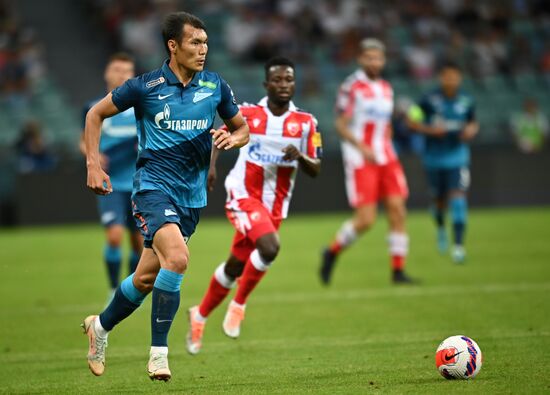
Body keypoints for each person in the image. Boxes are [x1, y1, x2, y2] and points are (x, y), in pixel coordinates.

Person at [81, 12, 249, 381]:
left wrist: (231, 138)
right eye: (194, 43)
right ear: (173, 46)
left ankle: (100, 327)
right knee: (177, 258)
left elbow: (242, 129)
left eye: (205, 43)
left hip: (191, 197)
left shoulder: (215, 86)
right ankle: (159, 354)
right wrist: (94, 164)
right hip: (153, 188)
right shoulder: (145, 86)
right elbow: (95, 114)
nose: (203, 50)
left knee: (144, 280)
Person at [186, 56, 322, 355]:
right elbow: (219, 135)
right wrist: (210, 168)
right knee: (270, 248)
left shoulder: (306, 123)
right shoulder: (247, 113)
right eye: (278, 79)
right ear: (266, 84)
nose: (284, 85)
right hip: (242, 196)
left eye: (289, 79)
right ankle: (239, 304)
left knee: (235, 265)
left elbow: (316, 168)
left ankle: (200, 315)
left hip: (275, 207)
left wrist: (299, 157)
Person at [319, 38, 414, 285]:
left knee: (398, 210)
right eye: (369, 57)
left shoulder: (386, 88)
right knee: (366, 220)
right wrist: (362, 146)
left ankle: (398, 271)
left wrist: (388, 144)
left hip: (387, 157)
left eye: (378, 58)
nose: (375, 62)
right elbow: (340, 125)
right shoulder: (352, 87)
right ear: (361, 59)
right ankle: (332, 251)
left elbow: (387, 124)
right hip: (361, 158)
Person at [79, 53, 142, 302]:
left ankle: (130, 292)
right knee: (115, 236)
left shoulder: (141, 106)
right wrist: (93, 156)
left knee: (138, 243)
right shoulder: (94, 108)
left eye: (127, 70)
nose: (122, 74)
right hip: (111, 182)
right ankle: (113, 289)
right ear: (107, 73)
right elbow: (82, 141)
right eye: (117, 69)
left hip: (139, 182)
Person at [407, 61, 479, 263]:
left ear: (460, 78)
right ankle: (440, 228)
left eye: (454, 76)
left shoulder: (466, 101)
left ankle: (458, 247)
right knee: (439, 202)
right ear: (441, 78)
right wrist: (430, 130)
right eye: (447, 76)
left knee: (458, 199)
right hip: (434, 159)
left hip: (458, 157)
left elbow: (473, 122)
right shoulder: (428, 100)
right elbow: (411, 122)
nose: (451, 80)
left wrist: (471, 130)